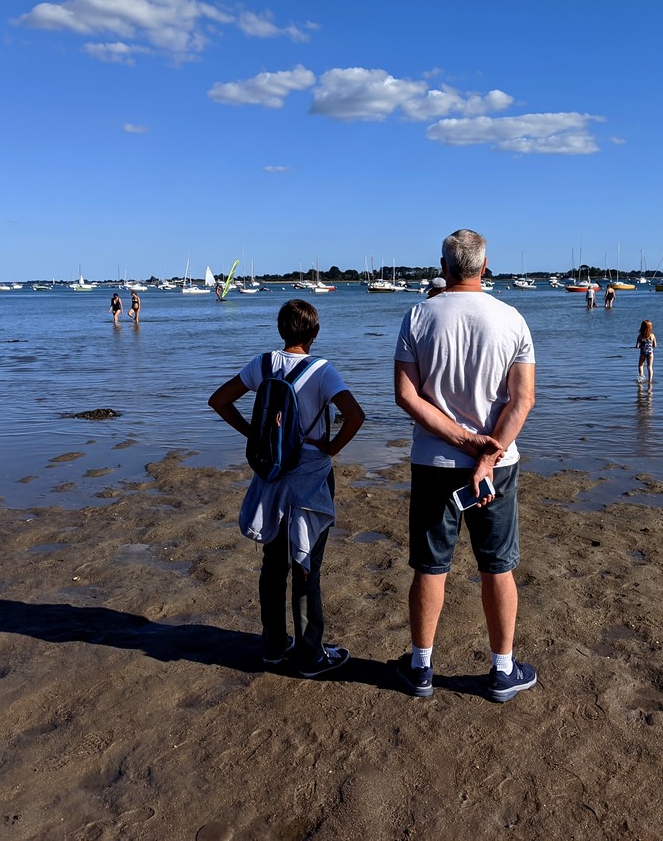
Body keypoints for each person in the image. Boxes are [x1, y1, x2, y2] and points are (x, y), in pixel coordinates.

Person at [393, 228, 537, 703]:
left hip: (434, 461)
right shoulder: (511, 318)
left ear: (444, 265)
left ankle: (421, 668)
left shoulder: (419, 315)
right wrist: (486, 455)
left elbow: (406, 396)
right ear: (485, 266)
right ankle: (502, 670)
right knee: (497, 566)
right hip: (497, 466)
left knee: (431, 566)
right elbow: (522, 400)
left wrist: (462, 441)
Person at [208, 299, 365, 677]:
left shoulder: (262, 364)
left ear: (280, 330)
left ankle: (273, 648)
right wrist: (331, 448)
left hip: (271, 474)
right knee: (306, 564)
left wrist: (254, 435)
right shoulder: (322, 371)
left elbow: (219, 401)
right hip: (310, 477)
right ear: (315, 333)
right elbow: (355, 416)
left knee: (273, 564)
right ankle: (310, 656)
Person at [636, 319, 657, 384]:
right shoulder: (652, 335)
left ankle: (641, 379)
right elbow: (655, 345)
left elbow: (637, 346)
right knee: (649, 366)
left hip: (643, 353)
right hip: (650, 353)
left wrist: (640, 345)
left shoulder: (640, 336)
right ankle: (650, 381)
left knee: (640, 365)